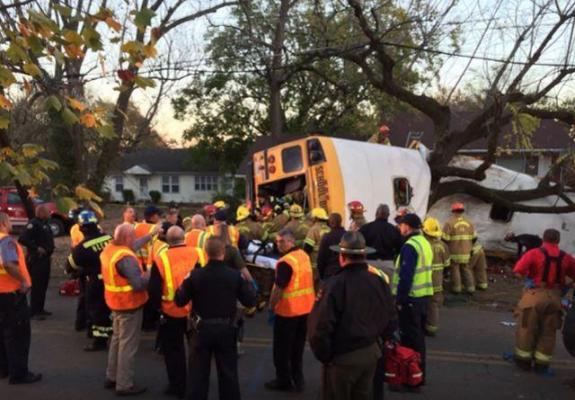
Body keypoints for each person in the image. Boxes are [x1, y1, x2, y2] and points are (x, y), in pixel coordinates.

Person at [308, 231, 396, 400]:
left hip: (343, 359)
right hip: (371, 354)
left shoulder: (334, 285)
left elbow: (320, 327)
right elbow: (391, 318)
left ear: (341, 256)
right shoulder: (379, 281)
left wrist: (326, 356)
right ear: (364, 255)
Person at [175, 237, 256, 400]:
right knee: (228, 374)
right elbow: (250, 300)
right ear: (223, 252)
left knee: (197, 375)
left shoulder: (195, 275)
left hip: (201, 330)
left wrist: (183, 284)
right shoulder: (234, 275)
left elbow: (180, 300)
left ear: (205, 252)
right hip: (227, 329)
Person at [102, 222, 159, 396]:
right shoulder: (126, 258)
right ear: (127, 238)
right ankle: (124, 384)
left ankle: (111, 376)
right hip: (129, 305)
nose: (134, 239)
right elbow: (139, 284)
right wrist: (149, 270)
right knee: (128, 346)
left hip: (115, 303)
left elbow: (131, 247)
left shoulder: (110, 249)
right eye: (133, 236)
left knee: (117, 340)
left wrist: (150, 235)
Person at [149, 226, 203, 398]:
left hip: (171, 312)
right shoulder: (199, 253)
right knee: (197, 352)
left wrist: (157, 310)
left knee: (174, 352)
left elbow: (154, 290)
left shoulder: (161, 259)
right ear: (184, 238)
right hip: (196, 312)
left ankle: (178, 386)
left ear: (167, 240)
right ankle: (197, 385)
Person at [512, 229, 575, 373]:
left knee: (526, 329)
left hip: (534, 296)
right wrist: (566, 284)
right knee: (548, 332)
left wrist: (528, 281)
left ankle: (523, 361)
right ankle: (542, 365)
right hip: (555, 298)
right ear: (558, 240)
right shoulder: (566, 257)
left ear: (543, 239)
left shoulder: (534, 253)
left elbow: (518, 270)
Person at [266, 229, 315, 392]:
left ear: (291, 242)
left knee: (281, 350)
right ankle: (298, 379)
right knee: (297, 348)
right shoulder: (303, 255)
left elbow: (278, 288)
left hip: (288, 312)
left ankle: (283, 381)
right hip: (305, 310)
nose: (278, 244)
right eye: (277, 241)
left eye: (282, 241)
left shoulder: (285, 262)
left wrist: (271, 306)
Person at [0, 212, 42, 384]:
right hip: (11, 294)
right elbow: (9, 264)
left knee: (2, 333)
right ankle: (19, 374)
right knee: (18, 335)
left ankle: (4, 369)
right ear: (3, 223)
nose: (11, 224)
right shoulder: (6, 241)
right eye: (9, 221)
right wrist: (23, 281)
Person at [393, 213, 434, 389]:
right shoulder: (424, 243)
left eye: (401, 225)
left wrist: (399, 300)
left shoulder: (410, 246)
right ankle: (419, 376)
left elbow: (406, 276)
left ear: (407, 226)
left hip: (410, 299)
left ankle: (411, 380)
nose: (399, 228)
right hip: (423, 298)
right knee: (418, 340)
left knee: (409, 341)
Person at [66, 211, 113, 351]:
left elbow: (70, 267)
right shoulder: (110, 238)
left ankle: (100, 341)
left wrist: (83, 270)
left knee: (97, 312)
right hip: (112, 281)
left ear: (82, 228)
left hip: (95, 284)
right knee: (108, 310)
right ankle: (108, 333)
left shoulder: (81, 248)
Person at [18, 204, 54, 320]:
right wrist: (36, 248)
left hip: (45, 259)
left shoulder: (45, 224)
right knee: (37, 285)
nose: (50, 213)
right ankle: (34, 311)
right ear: (42, 212)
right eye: (48, 211)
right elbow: (22, 239)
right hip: (36, 259)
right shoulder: (33, 224)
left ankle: (40, 308)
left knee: (43, 285)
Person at [421, 217, 450, 336]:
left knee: (422, 304)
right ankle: (431, 328)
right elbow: (447, 265)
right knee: (433, 305)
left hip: (423, 282)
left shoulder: (423, 245)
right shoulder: (443, 246)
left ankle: (422, 326)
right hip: (437, 282)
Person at [359, 204, 403, 277]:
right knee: (388, 288)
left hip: (370, 263)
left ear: (376, 213)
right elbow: (400, 248)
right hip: (388, 264)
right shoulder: (394, 230)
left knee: (370, 287)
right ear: (388, 215)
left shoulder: (365, 228)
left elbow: (358, 245)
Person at [442, 202, 476, 294]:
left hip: (454, 251)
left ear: (453, 211)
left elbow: (445, 239)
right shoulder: (469, 223)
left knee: (455, 269)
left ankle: (456, 289)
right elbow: (474, 238)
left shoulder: (449, 223)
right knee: (466, 268)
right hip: (466, 251)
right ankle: (471, 288)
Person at [316, 213, 346, 280]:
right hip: (346, 272)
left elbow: (321, 259)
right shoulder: (347, 235)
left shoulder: (327, 237)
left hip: (331, 274)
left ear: (330, 223)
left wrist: (322, 275)